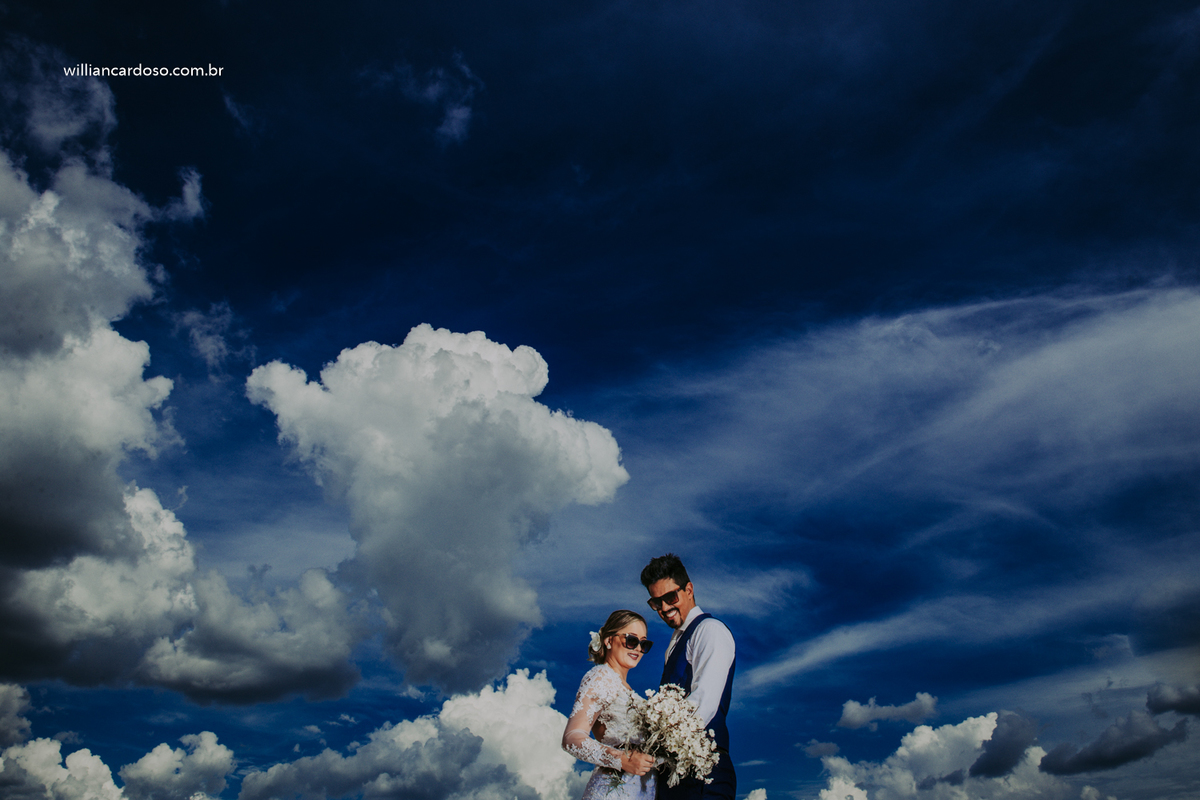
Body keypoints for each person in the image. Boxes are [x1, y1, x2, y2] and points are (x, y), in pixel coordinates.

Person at [640, 554, 736, 800]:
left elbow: (703, 704)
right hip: (673, 776)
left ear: (689, 589)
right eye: (655, 603)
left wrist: (652, 746)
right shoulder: (673, 644)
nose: (663, 608)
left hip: (703, 773)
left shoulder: (710, 631)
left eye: (670, 597)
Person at [562, 609, 658, 800]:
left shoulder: (628, 690)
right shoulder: (601, 677)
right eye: (631, 640)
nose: (638, 648)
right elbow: (572, 738)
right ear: (608, 641)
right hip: (613, 792)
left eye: (644, 643)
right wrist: (623, 759)